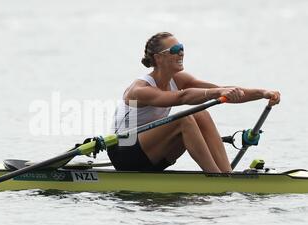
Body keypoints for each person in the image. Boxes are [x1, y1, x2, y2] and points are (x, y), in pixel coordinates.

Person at [107, 32, 280, 173]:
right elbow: (182, 98)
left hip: (152, 153)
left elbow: (221, 89)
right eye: (175, 49)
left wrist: (263, 93)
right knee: (184, 119)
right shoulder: (139, 90)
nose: (181, 52)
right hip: (124, 154)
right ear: (159, 58)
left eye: (181, 48)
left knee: (200, 114)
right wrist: (218, 92)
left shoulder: (178, 79)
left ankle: (226, 174)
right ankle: (216, 179)